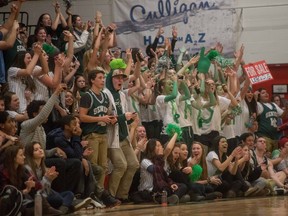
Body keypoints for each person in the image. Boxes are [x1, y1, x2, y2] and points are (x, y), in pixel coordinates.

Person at [103, 58, 139, 202]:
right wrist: (125, 117)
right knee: (121, 165)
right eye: (117, 77)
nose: (120, 80)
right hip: (112, 138)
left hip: (124, 136)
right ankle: (110, 196)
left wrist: (130, 118)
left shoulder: (122, 94)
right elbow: (109, 119)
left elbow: (123, 116)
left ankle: (122, 195)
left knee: (134, 164)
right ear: (110, 79)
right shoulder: (105, 94)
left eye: (122, 77)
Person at [24, 141, 91, 214]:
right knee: (57, 199)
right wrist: (47, 179)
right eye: (36, 150)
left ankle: (62, 210)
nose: (40, 150)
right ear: (31, 154)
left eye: (40, 148)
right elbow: (37, 189)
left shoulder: (43, 167)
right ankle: (69, 207)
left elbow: (47, 189)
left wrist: (50, 180)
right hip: (36, 198)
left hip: (45, 193)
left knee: (69, 194)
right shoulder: (28, 168)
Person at [79, 69, 112, 188]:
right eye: (100, 78)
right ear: (92, 80)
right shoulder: (87, 96)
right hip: (91, 135)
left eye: (103, 78)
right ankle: (90, 193)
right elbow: (82, 117)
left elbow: (106, 115)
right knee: (94, 166)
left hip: (103, 134)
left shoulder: (105, 96)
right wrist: (100, 119)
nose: (103, 80)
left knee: (103, 166)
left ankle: (100, 192)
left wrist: (111, 119)